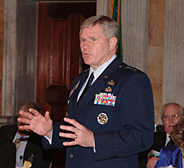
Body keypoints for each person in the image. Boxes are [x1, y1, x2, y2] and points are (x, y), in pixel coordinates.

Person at [18, 15, 154, 168]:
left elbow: (142, 137)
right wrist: (50, 132)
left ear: (112, 43)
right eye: (83, 40)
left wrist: (94, 140)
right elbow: (76, 133)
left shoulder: (131, 79)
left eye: (93, 40)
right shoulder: (80, 80)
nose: (85, 46)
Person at [0, 102, 51, 168]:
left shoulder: (40, 141)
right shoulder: (5, 131)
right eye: (22, 120)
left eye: (28, 121)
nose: (24, 124)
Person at [144, 102, 184, 168]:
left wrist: (160, 163)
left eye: (175, 116)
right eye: (166, 117)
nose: (170, 120)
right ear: (163, 120)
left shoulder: (182, 141)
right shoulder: (152, 139)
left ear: (183, 118)